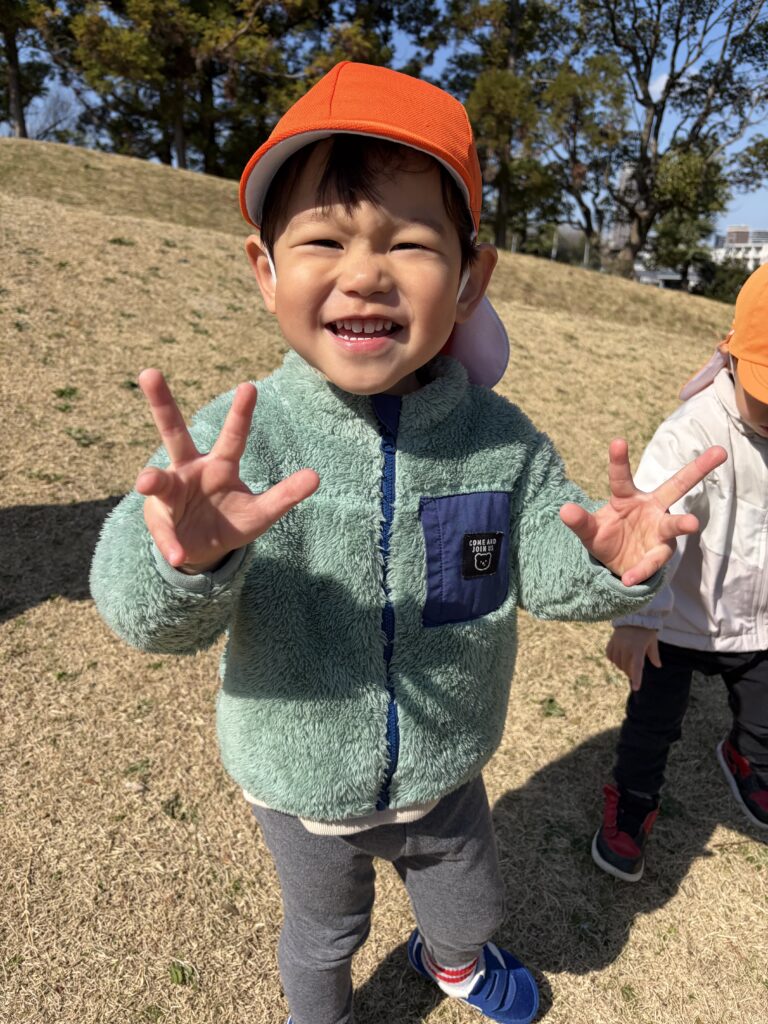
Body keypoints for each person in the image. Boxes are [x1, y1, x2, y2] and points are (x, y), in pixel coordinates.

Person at [90, 62, 724, 1024]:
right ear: (265, 269)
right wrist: (186, 559)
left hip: (446, 771)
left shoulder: (500, 442)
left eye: (410, 242)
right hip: (299, 782)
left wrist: (606, 563)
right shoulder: (235, 441)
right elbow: (140, 616)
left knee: (471, 909)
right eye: (323, 239)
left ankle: (454, 963)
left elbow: (545, 565)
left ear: (471, 279)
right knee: (323, 936)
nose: (364, 272)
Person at [592, 262, 768, 885]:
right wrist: (639, 616)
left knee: (765, 719)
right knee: (652, 726)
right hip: (677, 621)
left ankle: (748, 759)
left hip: (757, 621)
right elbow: (653, 527)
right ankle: (633, 800)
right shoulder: (692, 431)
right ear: (733, 355)